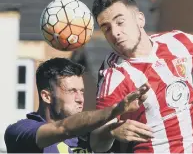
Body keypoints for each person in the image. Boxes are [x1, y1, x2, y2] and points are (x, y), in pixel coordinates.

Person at [90, 0, 193, 153]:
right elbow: (96, 143)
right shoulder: (114, 75)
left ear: (140, 19)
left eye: (120, 22)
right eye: (106, 29)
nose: (115, 33)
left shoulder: (178, 43)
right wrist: (111, 131)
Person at [4, 57, 151, 153]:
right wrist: (115, 109)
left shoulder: (91, 134)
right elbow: (64, 128)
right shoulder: (20, 132)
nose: (80, 99)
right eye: (72, 91)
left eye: (81, 91)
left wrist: (111, 131)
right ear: (47, 96)